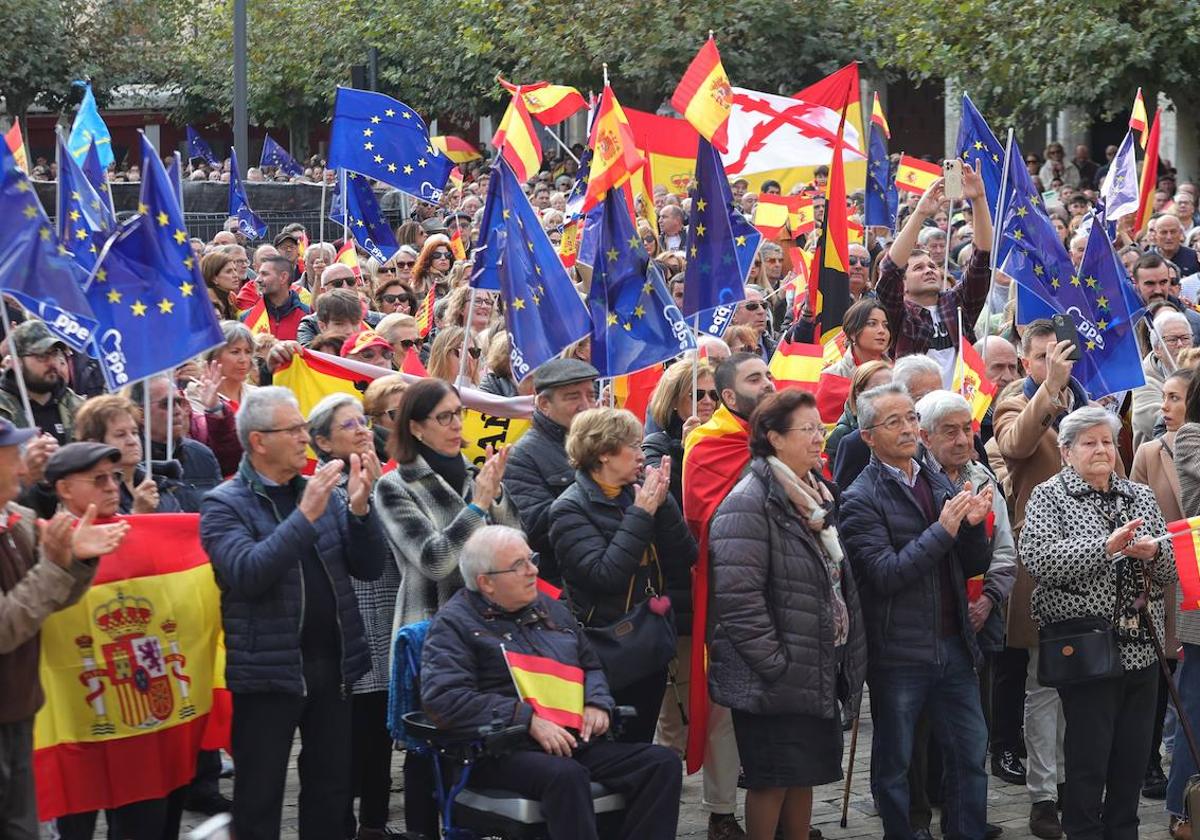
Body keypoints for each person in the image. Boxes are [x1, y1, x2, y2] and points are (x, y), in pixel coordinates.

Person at [199, 386, 386, 840]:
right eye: (293, 430)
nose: (304, 438)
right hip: (269, 670)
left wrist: (361, 510)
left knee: (330, 790)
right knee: (260, 797)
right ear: (259, 440)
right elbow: (249, 574)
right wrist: (304, 517)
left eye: (305, 428)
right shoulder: (224, 505)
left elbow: (367, 567)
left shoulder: (321, 492)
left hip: (334, 665)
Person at [420, 526, 683, 840]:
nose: (533, 570)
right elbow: (445, 700)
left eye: (531, 559)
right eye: (519, 565)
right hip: (501, 750)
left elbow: (591, 665)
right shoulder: (454, 624)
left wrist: (597, 701)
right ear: (486, 582)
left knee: (661, 763)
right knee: (566, 776)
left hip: (571, 740)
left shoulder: (550, 609)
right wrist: (525, 720)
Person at [708, 390, 867, 840]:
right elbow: (739, 602)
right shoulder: (750, 500)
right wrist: (777, 662)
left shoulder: (814, 493)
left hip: (814, 663)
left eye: (821, 428)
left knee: (805, 774)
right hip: (776, 674)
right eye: (809, 430)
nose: (821, 438)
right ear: (774, 438)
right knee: (772, 778)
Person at [840, 382, 995, 840]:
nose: (909, 428)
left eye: (910, 417)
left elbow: (973, 565)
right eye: (894, 422)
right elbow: (885, 575)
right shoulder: (859, 497)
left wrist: (970, 530)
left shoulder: (936, 478)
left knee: (970, 754)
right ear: (868, 435)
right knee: (897, 764)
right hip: (899, 652)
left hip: (952, 643)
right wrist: (944, 531)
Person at [1020, 406, 1175, 840]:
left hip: (1141, 646)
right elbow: (1038, 560)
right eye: (1089, 443)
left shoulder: (1137, 495)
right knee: (1089, 760)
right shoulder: (1050, 496)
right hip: (1085, 650)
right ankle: (1083, 831)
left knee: (1130, 759)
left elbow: (1170, 569)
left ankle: (1123, 831)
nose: (1101, 449)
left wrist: (1155, 554)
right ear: (1066, 451)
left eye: (1107, 441)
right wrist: (1104, 547)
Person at [373, 378, 518, 837]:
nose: (457, 424)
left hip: (492, 629)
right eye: (444, 417)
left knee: (484, 743)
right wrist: (477, 506)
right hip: (430, 627)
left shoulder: (478, 471)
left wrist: (494, 498)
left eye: (459, 413)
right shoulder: (395, 485)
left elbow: (517, 544)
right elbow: (435, 560)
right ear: (415, 427)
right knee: (428, 749)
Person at [0, 433, 129, 840]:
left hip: (19, 708)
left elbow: (53, 598)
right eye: (11, 457)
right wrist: (57, 567)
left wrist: (78, 559)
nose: (23, 468)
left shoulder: (15, 518)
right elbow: (5, 627)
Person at [549, 407, 697, 743]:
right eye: (632, 445)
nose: (641, 454)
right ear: (603, 454)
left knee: (642, 737)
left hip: (649, 638)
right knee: (614, 746)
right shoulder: (568, 508)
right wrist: (642, 513)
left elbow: (685, 556)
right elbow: (605, 576)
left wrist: (664, 502)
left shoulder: (640, 489)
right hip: (605, 646)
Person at [304, 394, 397, 840]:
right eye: (348, 426)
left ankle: (375, 824)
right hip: (351, 621)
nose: (362, 429)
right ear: (322, 442)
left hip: (389, 612)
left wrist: (383, 487)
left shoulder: (388, 478)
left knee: (381, 729)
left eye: (363, 421)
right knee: (347, 738)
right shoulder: (322, 491)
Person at [875, 163, 994, 384]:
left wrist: (978, 199)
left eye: (931, 266)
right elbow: (890, 270)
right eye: (918, 268)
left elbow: (982, 258)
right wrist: (920, 213)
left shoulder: (956, 304)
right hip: (917, 409)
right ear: (903, 284)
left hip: (964, 406)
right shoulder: (896, 314)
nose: (929, 270)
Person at [505, 358, 599, 586]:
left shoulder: (607, 443)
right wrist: (599, 485)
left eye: (590, 395)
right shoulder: (522, 457)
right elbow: (538, 529)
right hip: (568, 588)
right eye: (573, 397)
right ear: (544, 404)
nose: (586, 405)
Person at [833, 353, 942, 491]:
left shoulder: (943, 434)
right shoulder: (856, 445)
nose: (908, 429)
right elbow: (846, 502)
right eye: (921, 398)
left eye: (912, 418)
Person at [73, 395, 182, 514]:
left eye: (134, 432)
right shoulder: (92, 491)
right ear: (94, 443)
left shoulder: (158, 482)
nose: (132, 441)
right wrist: (138, 513)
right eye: (120, 435)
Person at [128, 375, 222, 512]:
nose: (178, 411)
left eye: (179, 402)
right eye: (167, 404)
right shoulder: (130, 460)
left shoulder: (201, 455)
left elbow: (219, 511)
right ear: (141, 415)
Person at [0, 320, 85, 444]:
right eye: (41, 356)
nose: (52, 363)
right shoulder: (3, 409)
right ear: (16, 362)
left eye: (55, 353)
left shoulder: (79, 407)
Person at [1133, 308, 1193, 447]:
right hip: (1159, 459)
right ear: (1157, 348)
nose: (1180, 344)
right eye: (1172, 340)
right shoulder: (1143, 379)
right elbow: (1157, 421)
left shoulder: (1195, 368)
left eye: (1185, 338)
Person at [825, 359, 893, 467]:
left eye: (891, 387)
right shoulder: (843, 433)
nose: (886, 394)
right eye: (878, 388)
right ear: (859, 392)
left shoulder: (904, 425)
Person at [243, 255, 311, 342]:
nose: (257, 280)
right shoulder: (248, 317)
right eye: (258, 274)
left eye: (264, 274)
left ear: (283, 277)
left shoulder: (307, 317)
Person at [203, 250, 242, 320]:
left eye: (235, 270)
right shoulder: (206, 303)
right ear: (214, 279)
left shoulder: (231, 297)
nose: (236, 275)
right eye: (228, 271)